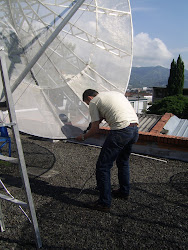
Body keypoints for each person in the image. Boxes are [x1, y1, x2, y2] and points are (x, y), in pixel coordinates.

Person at [76, 89, 139, 212]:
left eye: (87, 103)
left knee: (103, 167)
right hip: (134, 130)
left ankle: (104, 203)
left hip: (121, 131)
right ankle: (123, 192)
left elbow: (95, 129)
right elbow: (100, 119)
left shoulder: (94, 102)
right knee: (123, 162)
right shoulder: (114, 94)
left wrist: (83, 137)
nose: (89, 106)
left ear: (89, 98)